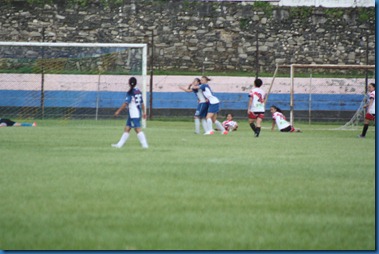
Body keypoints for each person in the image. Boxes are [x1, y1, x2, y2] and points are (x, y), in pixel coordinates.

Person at [112, 77, 148, 149]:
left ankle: (145, 145)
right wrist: (144, 112)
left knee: (137, 129)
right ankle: (119, 145)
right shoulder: (138, 91)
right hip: (136, 113)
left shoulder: (130, 92)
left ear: (129, 83)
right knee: (127, 128)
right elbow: (142, 103)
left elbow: (126, 103)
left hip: (133, 114)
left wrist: (118, 111)